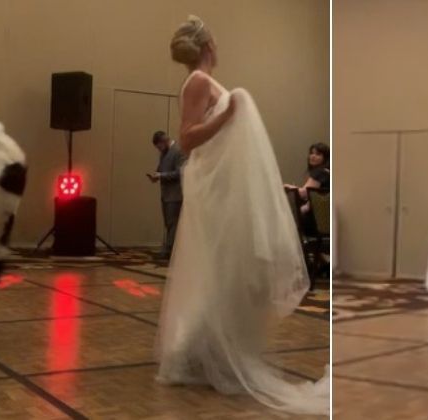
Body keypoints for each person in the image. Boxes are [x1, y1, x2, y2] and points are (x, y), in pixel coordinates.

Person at [154, 15, 329, 416]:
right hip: (212, 187)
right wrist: (229, 113)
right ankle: (196, 353)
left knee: (229, 272)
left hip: (221, 184)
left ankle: (204, 351)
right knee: (221, 269)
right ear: (208, 45)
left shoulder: (205, 81)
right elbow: (187, 137)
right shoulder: (197, 81)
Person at [147, 131, 186, 259]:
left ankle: (169, 250)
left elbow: (180, 173)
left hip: (175, 194)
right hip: (166, 194)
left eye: (159, 147)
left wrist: (161, 175)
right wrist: (156, 176)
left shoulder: (178, 151)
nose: (159, 150)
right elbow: (161, 169)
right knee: (168, 223)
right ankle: (169, 249)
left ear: (164, 141)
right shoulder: (163, 153)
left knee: (173, 223)